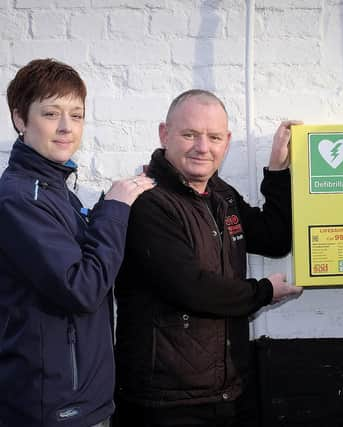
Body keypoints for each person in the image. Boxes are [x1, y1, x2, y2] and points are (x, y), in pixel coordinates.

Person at [112, 89, 303, 427]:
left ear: (226, 141)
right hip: (165, 402)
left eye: (214, 137)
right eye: (190, 135)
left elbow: (273, 239)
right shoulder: (146, 201)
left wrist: (276, 171)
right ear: (164, 134)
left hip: (227, 393)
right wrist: (263, 291)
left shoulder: (221, 195)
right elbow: (192, 288)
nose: (203, 147)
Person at [0, 59, 155, 427]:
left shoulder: (53, 189)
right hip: (53, 406)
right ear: (20, 119)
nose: (67, 127)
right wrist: (115, 209)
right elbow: (81, 287)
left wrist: (106, 210)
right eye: (51, 113)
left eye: (77, 114)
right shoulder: (22, 197)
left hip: (81, 399)